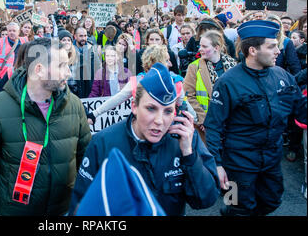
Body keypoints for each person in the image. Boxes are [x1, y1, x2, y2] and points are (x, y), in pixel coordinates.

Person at [69, 62, 220, 216]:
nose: (160, 121)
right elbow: (81, 206)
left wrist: (189, 155)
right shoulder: (103, 143)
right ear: (134, 106)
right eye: (151, 109)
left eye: (168, 111)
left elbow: (205, 200)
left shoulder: (184, 138)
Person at [0, 38, 91, 216]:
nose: (68, 73)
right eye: (61, 66)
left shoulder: (74, 105)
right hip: (17, 211)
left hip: (64, 210)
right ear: (38, 70)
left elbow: (86, 159)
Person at [204, 20, 307, 216]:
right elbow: (214, 126)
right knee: (236, 208)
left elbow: (300, 109)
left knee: (272, 201)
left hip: (270, 161)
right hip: (237, 164)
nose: (278, 50)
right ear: (252, 50)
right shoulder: (228, 82)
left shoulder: (282, 76)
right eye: (272, 46)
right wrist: (216, 165)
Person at [183, 30, 237, 143]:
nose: (199, 49)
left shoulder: (233, 65)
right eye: (200, 46)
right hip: (206, 127)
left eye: (204, 46)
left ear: (216, 48)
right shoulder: (195, 67)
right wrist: (204, 119)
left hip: (231, 125)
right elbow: (188, 96)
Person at [72, 27, 101, 99]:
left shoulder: (91, 48)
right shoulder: (70, 49)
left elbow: (98, 67)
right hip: (75, 86)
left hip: (89, 85)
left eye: (85, 36)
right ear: (75, 36)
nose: (83, 38)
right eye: (81, 36)